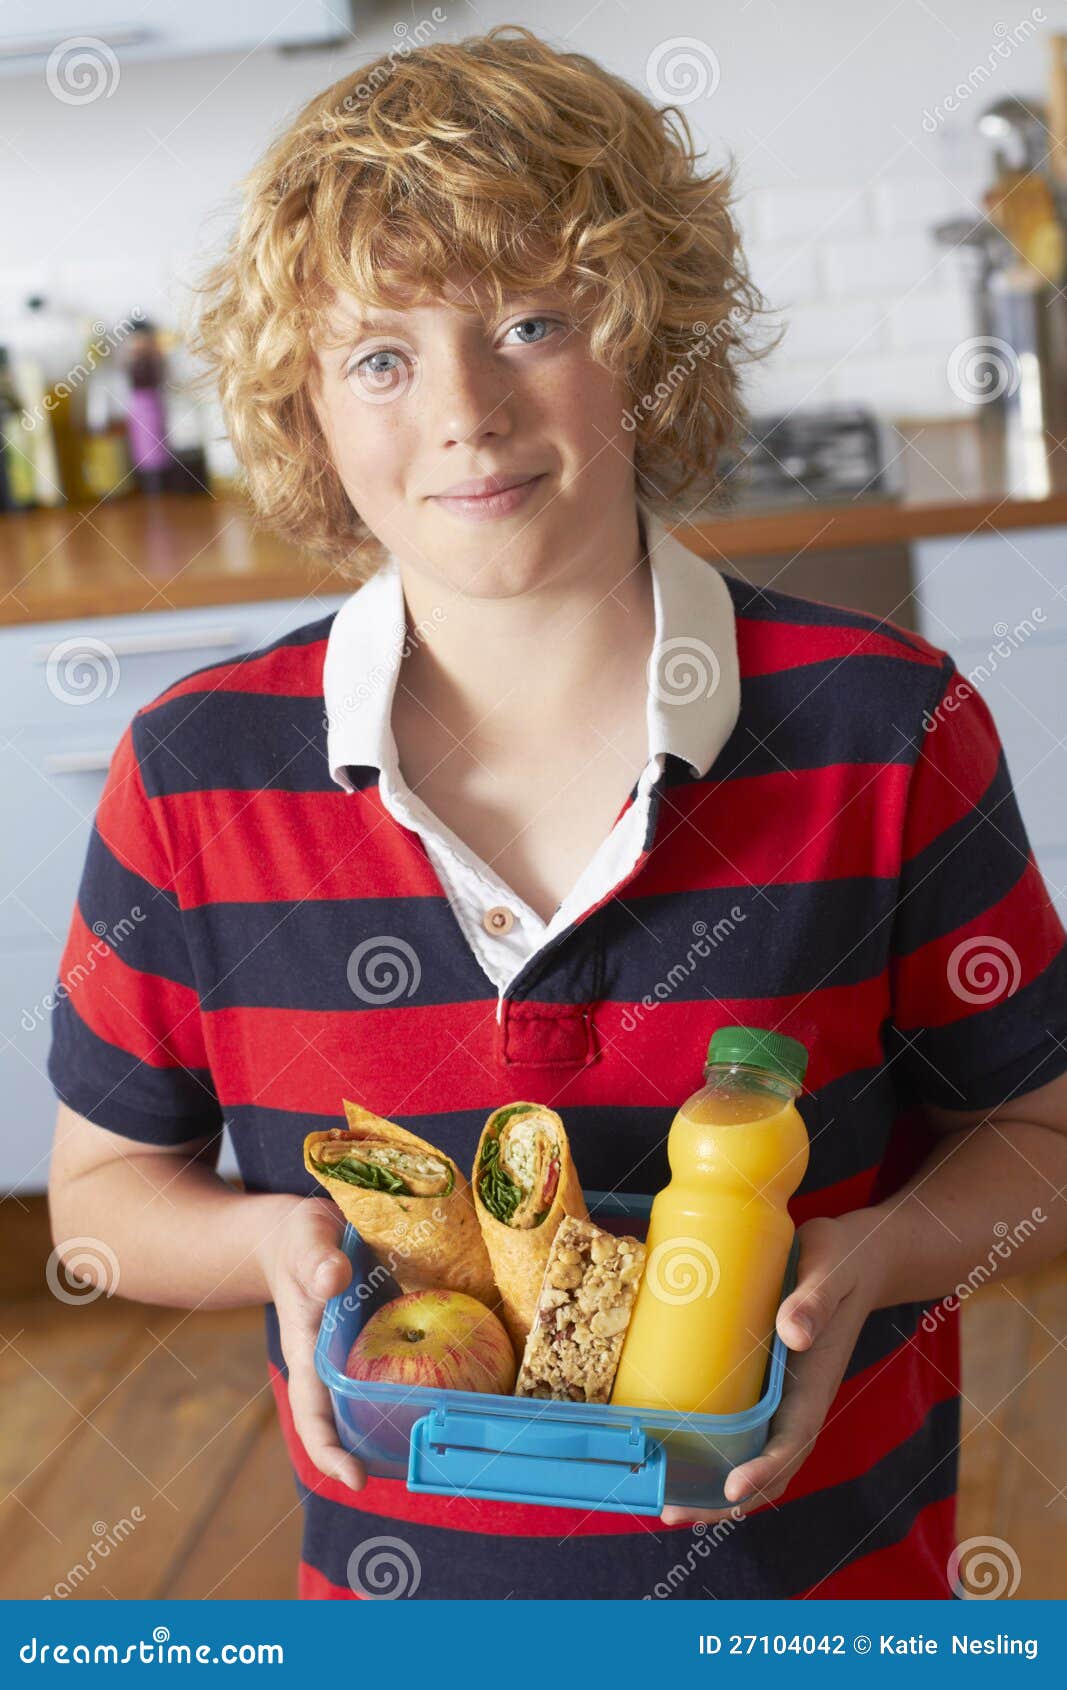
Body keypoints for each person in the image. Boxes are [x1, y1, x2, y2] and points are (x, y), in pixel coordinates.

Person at [47, 25, 1067, 1601]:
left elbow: (1042, 1139)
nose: (465, 409)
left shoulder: (888, 730)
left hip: (822, 1603)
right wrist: (270, 1250)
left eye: (531, 321)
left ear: (649, 341)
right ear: (307, 410)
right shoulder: (195, 780)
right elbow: (101, 1203)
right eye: (379, 356)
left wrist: (880, 1256)